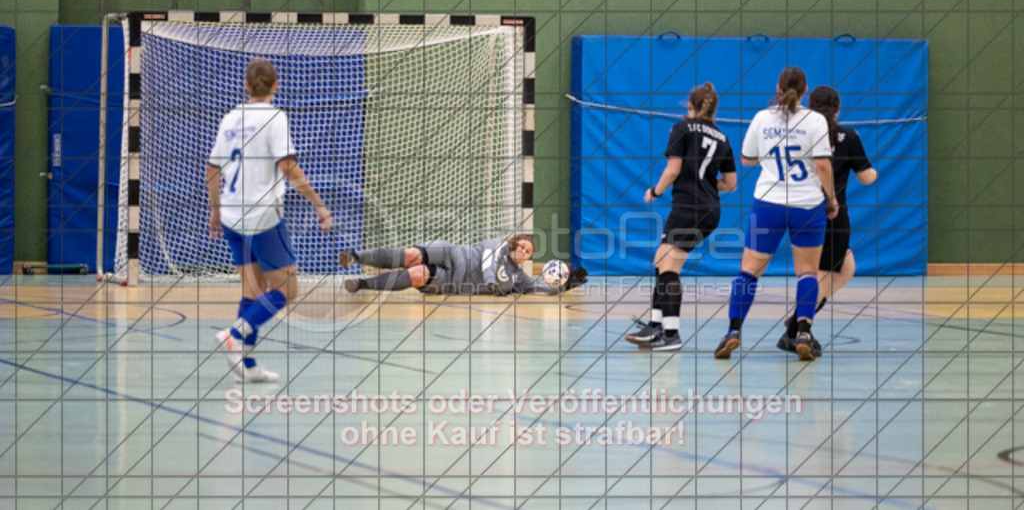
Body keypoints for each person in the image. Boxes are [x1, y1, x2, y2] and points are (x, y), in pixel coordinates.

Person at [208, 58, 332, 383]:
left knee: (252, 291)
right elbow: (288, 167)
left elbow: (212, 169)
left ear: (246, 86)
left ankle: (247, 368)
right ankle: (234, 334)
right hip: (262, 216)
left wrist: (215, 211)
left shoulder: (231, 118)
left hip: (233, 214)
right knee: (287, 289)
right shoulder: (275, 118)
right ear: (276, 86)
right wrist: (319, 204)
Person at [714, 66, 838, 362]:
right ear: (805, 91)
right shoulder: (816, 120)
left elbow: (745, 160)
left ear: (778, 87)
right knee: (807, 272)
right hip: (807, 204)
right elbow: (822, 165)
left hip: (768, 203)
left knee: (749, 270)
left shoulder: (761, 118)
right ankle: (804, 333)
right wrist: (831, 199)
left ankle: (733, 331)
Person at [625, 82, 737, 351]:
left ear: (690, 105)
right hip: (710, 209)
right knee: (661, 262)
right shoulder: (723, 138)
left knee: (669, 267)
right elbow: (731, 183)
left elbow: (673, 169)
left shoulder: (682, 127)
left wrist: (655, 191)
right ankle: (654, 326)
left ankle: (671, 333)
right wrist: (710, 187)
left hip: (688, 207)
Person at [777, 85, 877, 356]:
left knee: (845, 267)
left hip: (800, 209)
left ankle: (796, 323)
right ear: (838, 109)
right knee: (822, 274)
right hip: (831, 213)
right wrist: (872, 171)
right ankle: (798, 329)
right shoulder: (848, 136)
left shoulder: (799, 134)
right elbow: (866, 177)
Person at [339, 234, 587, 296]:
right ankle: (356, 257)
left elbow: (537, 287)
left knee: (418, 274)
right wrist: (490, 282)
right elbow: (488, 261)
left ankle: (360, 284)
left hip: (451, 282)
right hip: (452, 254)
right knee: (412, 255)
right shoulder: (499, 245)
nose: (522, 251)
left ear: (528, 258)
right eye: (522, 245)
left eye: (528, 252)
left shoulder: (516, 279)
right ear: (515, 243)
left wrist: (563, 288)